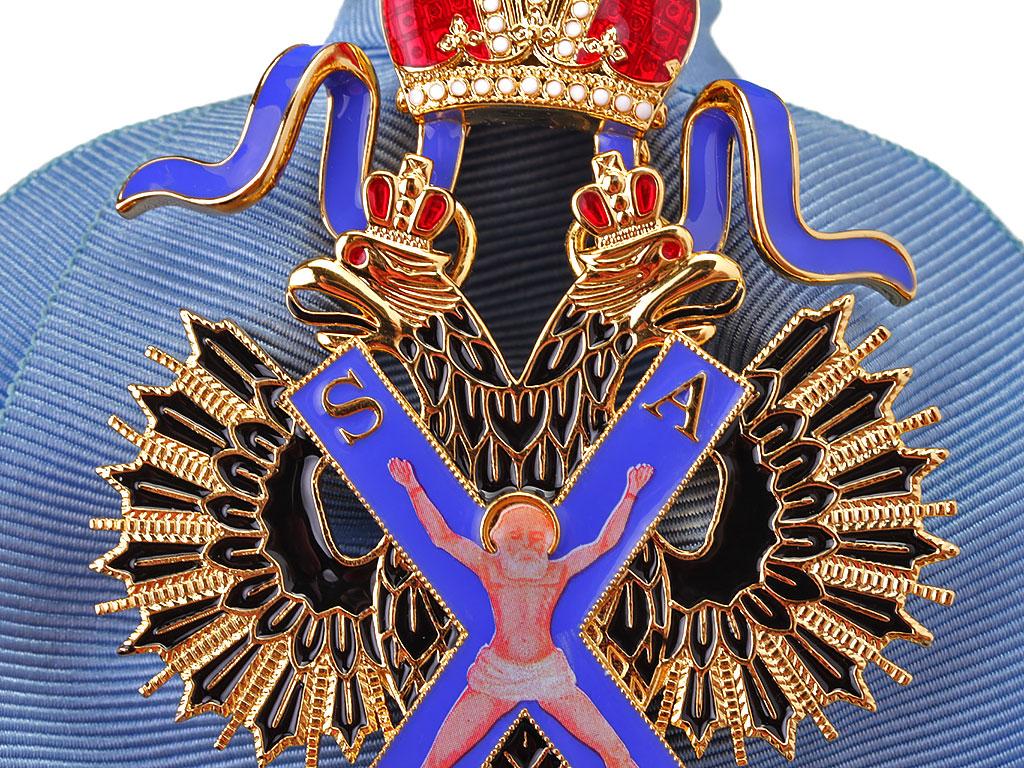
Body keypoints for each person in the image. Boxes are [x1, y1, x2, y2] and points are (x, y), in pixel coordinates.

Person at [388, 457, 654, 768]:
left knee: (617, 753)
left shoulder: (557, 572)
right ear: (497, 540)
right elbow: (443, 538)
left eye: (535, 538)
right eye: (516, 537)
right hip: (497, 676)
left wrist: (631, 492)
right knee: (436, 761)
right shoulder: (490, 569)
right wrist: (412, 486)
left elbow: (604, 543)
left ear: (548, 543)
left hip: (548, 675)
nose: (526, 545)